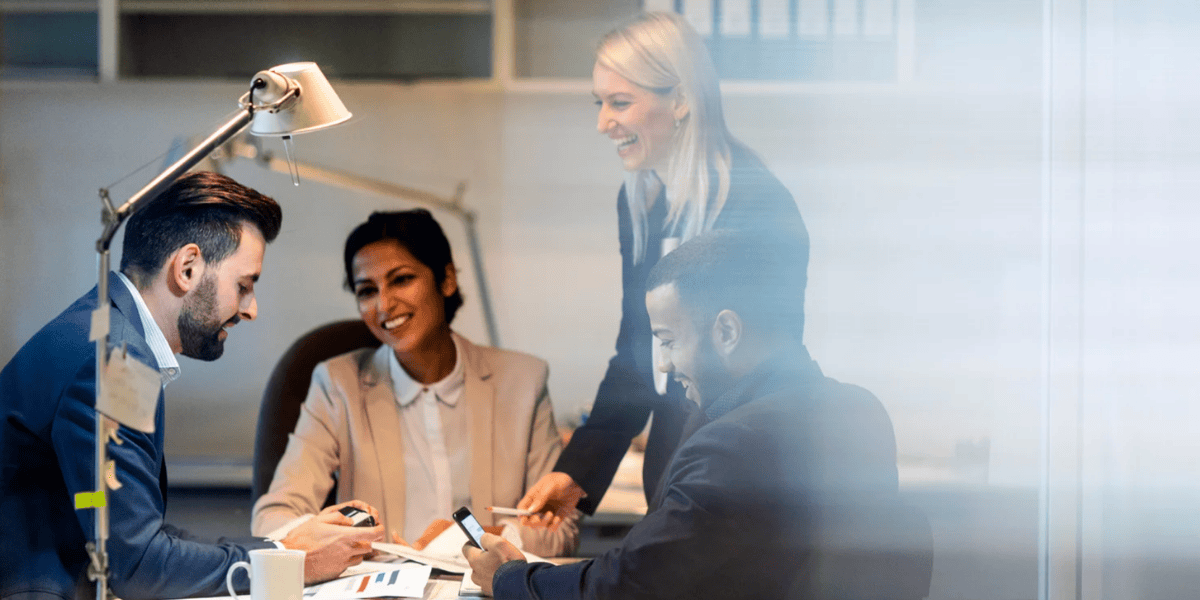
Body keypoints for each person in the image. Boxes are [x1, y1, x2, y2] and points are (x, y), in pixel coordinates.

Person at [466, 231, 930, 599]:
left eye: (668, 340)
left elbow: (626, 586)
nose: (665, 365)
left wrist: (508, 578)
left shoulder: (732, 447)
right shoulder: (860, 409)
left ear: (726, 330)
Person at [0, 172, 384, 600]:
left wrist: (283, 550)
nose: (250, 309)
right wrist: (291, 560)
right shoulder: (117, 362)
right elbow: (139, 565)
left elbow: (139, 538)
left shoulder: (106, 332)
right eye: (244, 285)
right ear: (186, 268)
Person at [519, 11, 808, 525]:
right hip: (675, 482)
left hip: (739, 485)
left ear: (679, 101)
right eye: (600, 103)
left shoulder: (757, 204)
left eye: (620, 102)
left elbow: (761, 376)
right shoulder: (644, 203)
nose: (603, 122)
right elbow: (637, 354)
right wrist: (577, 473)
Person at [251, 209, 578, 557]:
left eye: (402, 279)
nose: (385, 305)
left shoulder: (523, 382)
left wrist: (464, 538)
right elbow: (273, 518)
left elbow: (561, 530)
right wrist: (327, 537)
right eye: (367, 290)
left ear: (447, 279)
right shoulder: (337, 386)